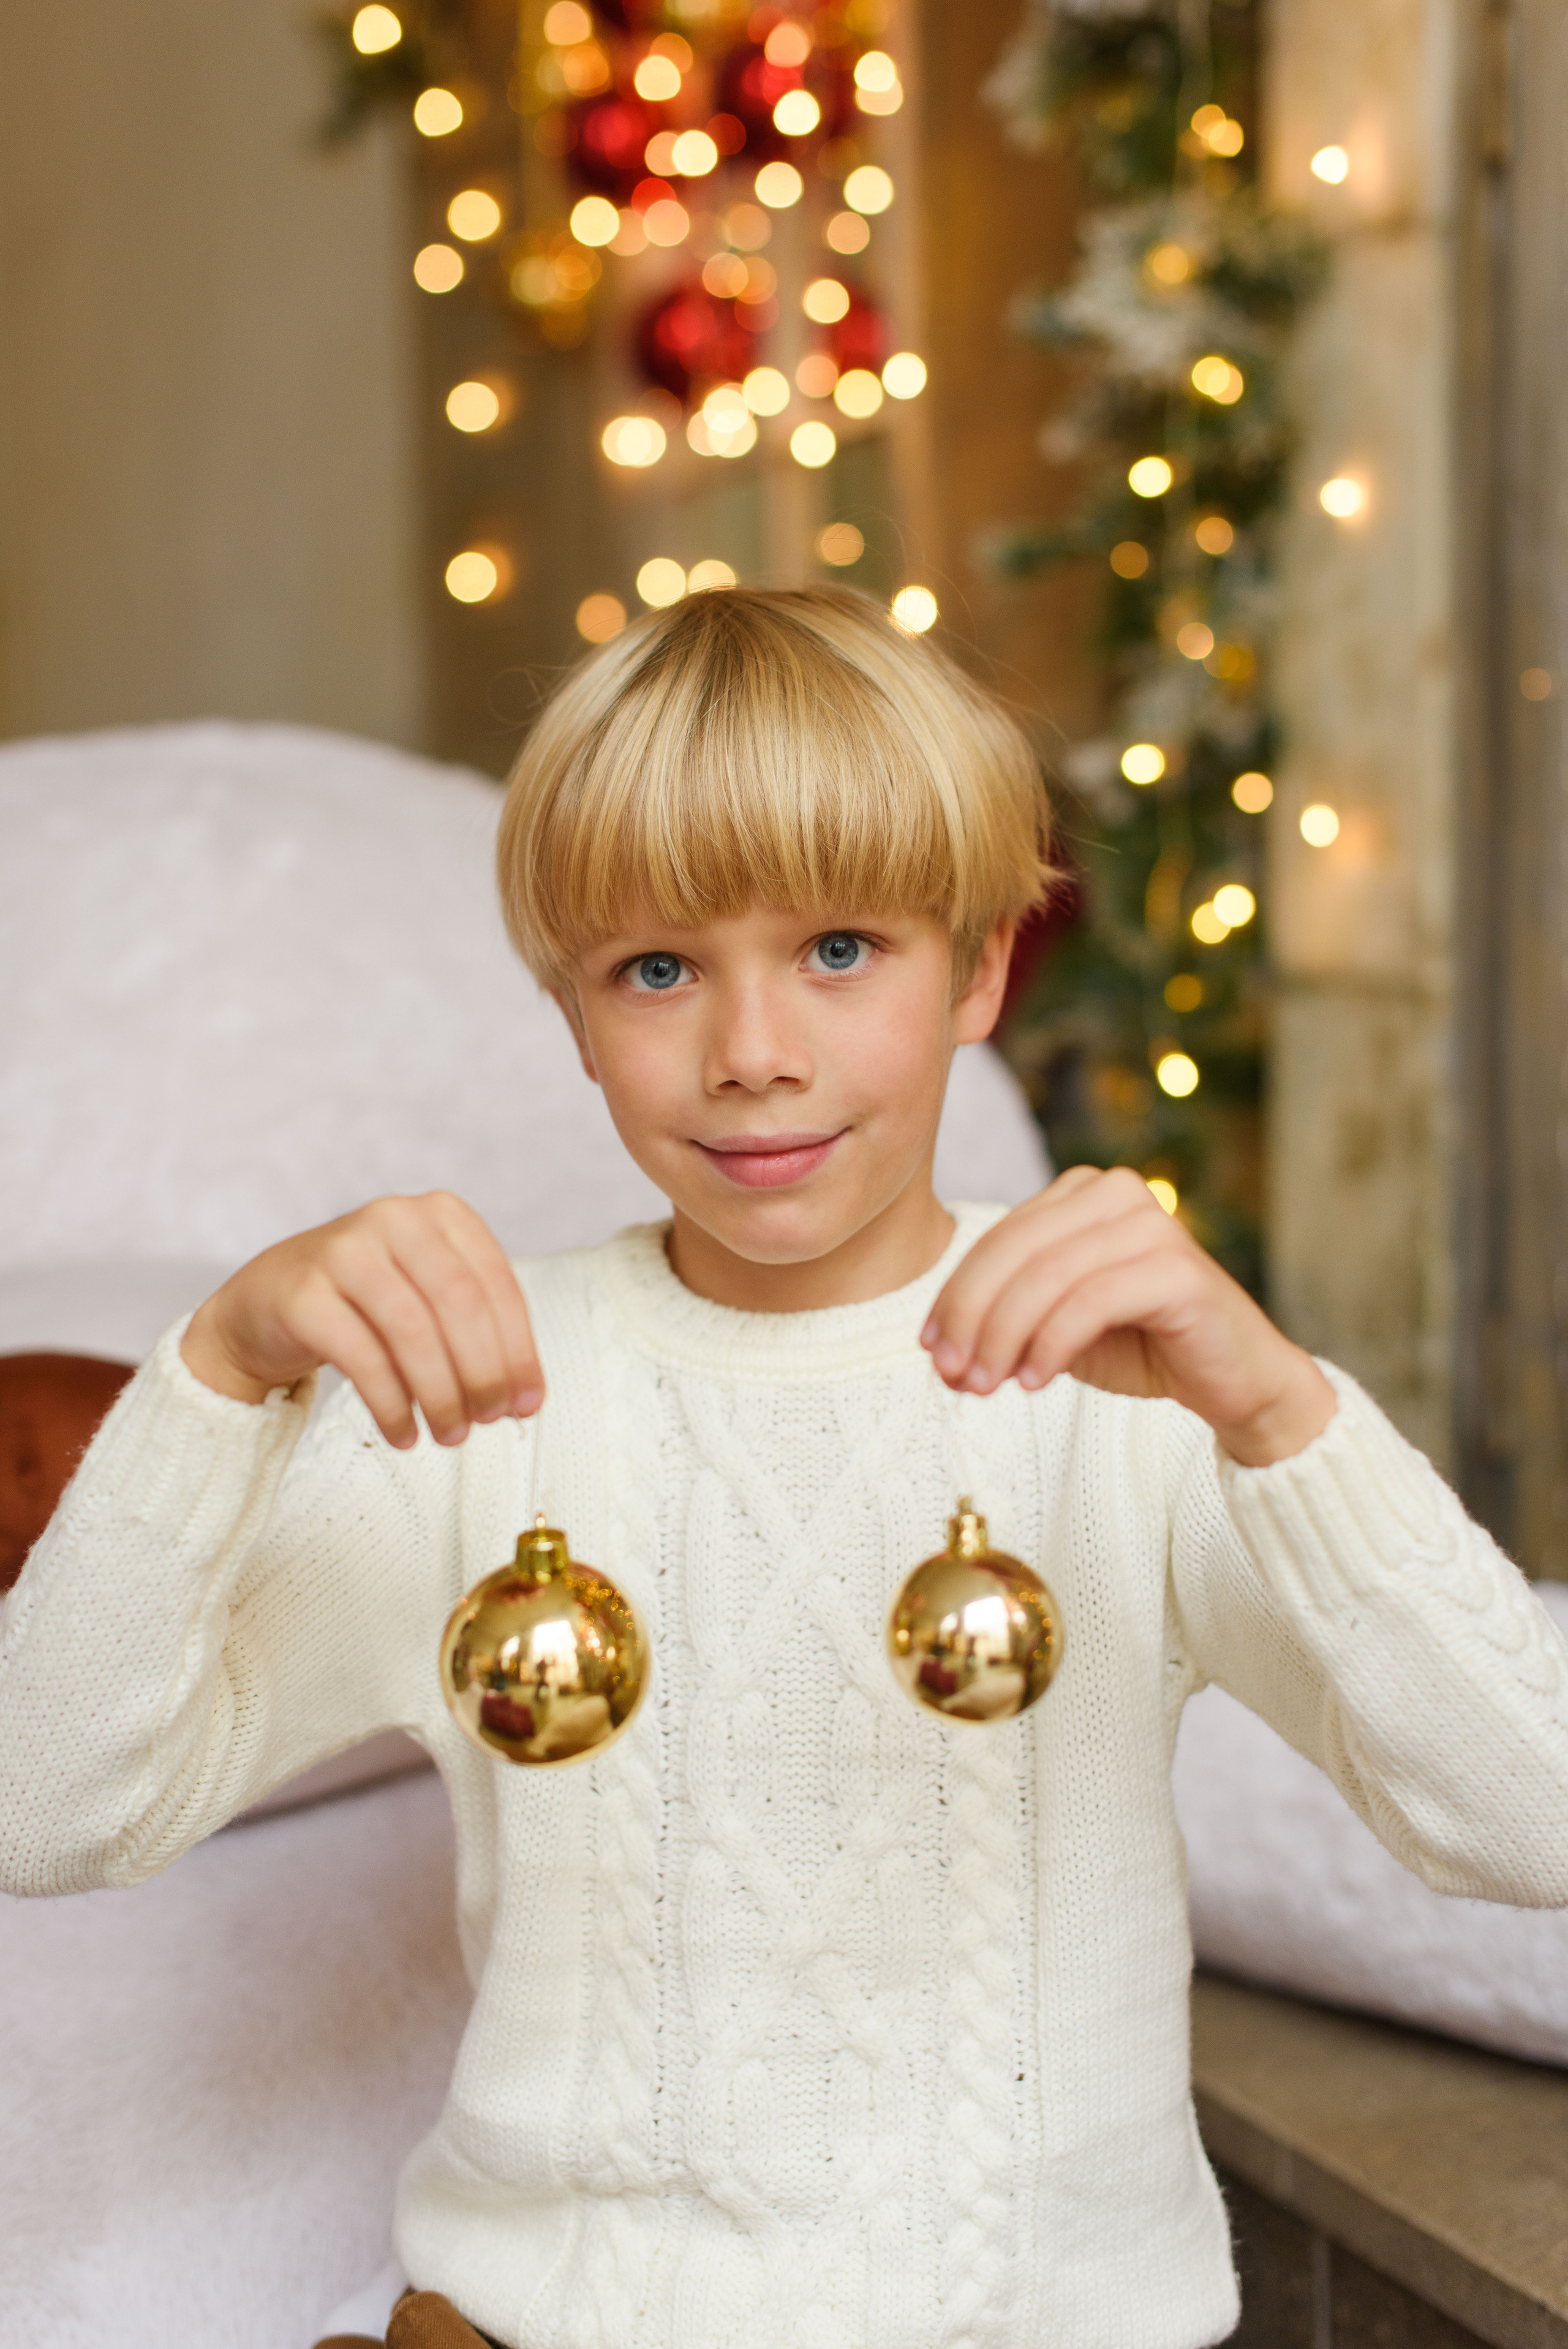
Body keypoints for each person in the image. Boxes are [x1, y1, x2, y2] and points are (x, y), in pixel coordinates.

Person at [3, 586, 1566, 2349]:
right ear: (574, 1015)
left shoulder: (1134, 1395)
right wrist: (217, 1371)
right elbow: (45, 1814)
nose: (753, 1053)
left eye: (838, 948)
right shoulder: (478, 1402)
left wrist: (1282, 1415)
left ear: (980, 969)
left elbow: (1531, 1826)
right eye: (658, 969)